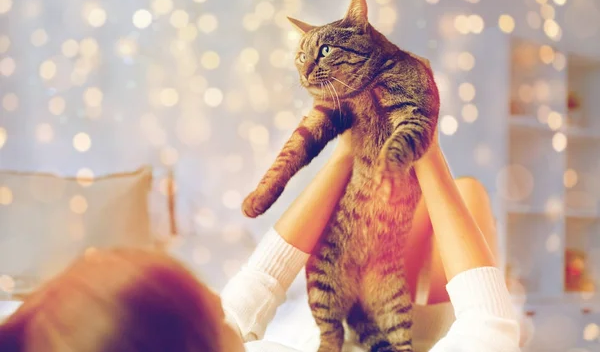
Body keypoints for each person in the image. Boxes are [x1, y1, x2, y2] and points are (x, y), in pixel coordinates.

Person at [0, 130, 520, 352]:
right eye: (203, 300)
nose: (218, 300)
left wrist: (342, 155)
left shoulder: (215, 341)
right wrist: (424, 145)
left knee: (442, 189)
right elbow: (492, 331)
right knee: (467, 197)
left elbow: (261, 281)